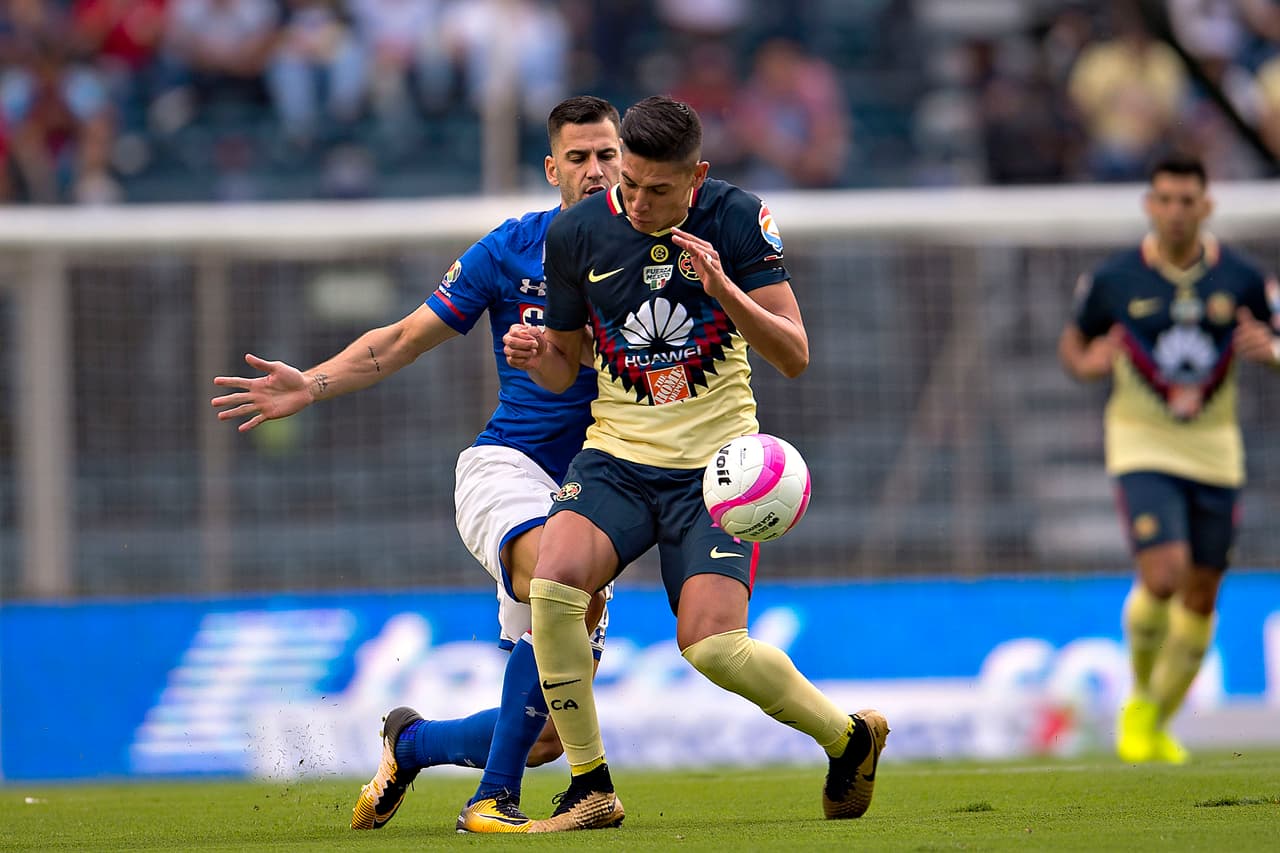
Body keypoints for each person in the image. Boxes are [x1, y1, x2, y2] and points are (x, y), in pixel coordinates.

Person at [210, 95, 624, 832]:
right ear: (552, 168)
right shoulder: (509, 248)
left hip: (595, 490)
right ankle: (489, 805)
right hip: (508, 470)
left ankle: (412, 742)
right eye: (580, 157)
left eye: (607, 154)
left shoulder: (652, 257)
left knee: (546, 736)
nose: (595, 170)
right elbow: (402, 338)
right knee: (560, 580)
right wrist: (313, 381)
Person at [502, 95, 888, 833]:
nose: (638, 201)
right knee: (553, 583)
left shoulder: (738, 217)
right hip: (617, 456)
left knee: (712, 645)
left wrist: (723, 288)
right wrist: (538, 355)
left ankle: (849, 738)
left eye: (658, 190)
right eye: (629, 183)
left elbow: (794, 355)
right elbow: (563, 368)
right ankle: (592, 785)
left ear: (697, 177)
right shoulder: (576, 230)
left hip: (716, 471)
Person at [1057, 153, 1280, 764]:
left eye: (1189, 200)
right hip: (1141, 441)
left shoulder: (1241, 276)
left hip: (1215, 447)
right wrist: (1088, 365)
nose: (1177, 211)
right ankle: (1137, 704)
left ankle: (1155, 715)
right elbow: (1074, 343)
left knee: (1203, 594)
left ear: (1206, 206)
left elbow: (1275, 335)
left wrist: (1271, 352)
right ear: (1149, 205)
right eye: (1166, 199)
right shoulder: (1116, 279)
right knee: (1163, 575)